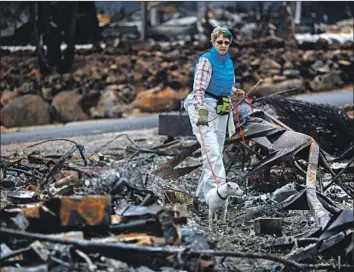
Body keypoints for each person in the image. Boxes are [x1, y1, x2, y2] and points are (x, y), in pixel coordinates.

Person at [184, 26, 240, 202]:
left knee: (215, 153)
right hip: (203, 107)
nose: (223, 45)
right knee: (212, 153)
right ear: (213, 42)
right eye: (219, 42)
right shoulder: (206, 61)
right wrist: (201, 111)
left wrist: (234, 92)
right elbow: (199, 88)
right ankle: (217, 197)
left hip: (221, 107)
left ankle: (201, 198)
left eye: (226, 42)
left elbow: (225, 86)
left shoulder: (228, 62)